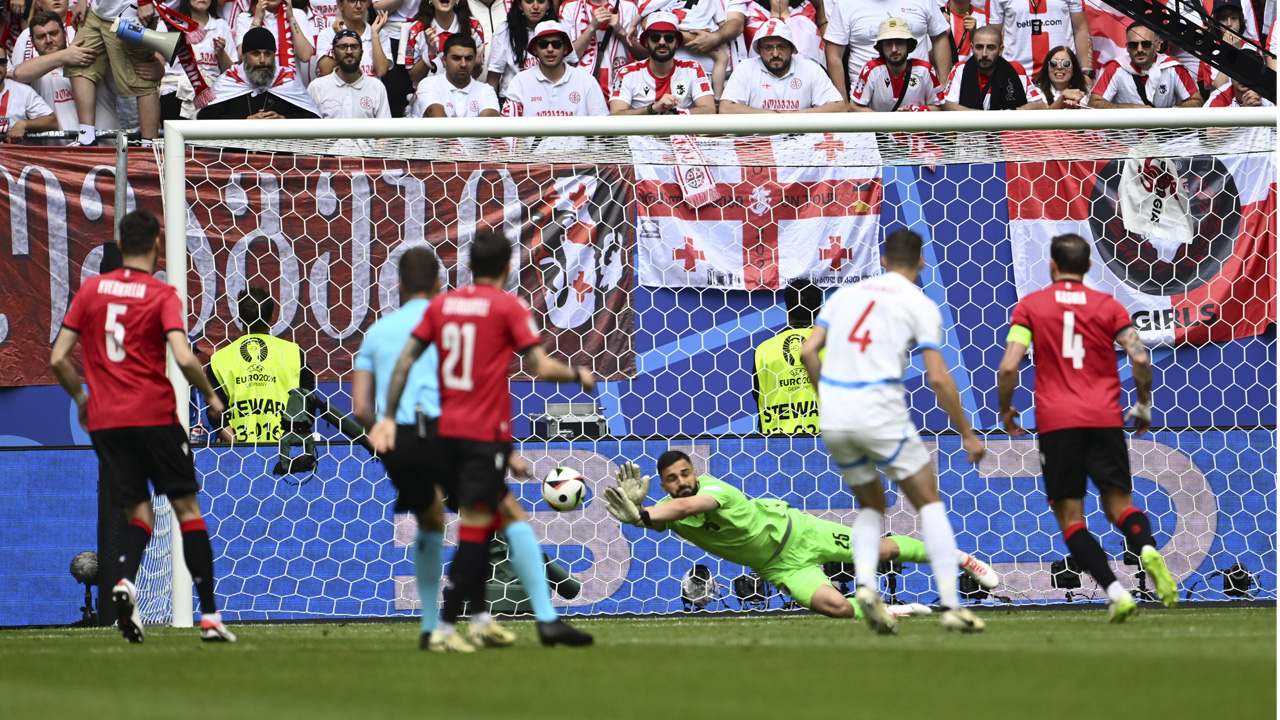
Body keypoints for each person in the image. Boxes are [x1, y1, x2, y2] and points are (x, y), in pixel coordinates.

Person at [369, 229, 597, 651]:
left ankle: (480, 622)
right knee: (480, 531)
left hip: (444, 430)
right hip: (479, 436)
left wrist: (385, 417)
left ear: (469, 266)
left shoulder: (444, 305)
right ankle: (454, 627)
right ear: (510, 267)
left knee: (488, 522)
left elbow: (405, 362)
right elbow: (542, 369)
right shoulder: (510, 306)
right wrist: (579, 375)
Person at [48, 208, 235, 644]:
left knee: (139, 513)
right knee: (187, 511)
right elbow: (184, 356)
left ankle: (125, 581)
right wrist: (210, 394)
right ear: (156, 245)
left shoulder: (91, 291)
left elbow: (58, 357)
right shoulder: (160, 293)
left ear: (119, 243)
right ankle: (209, 617)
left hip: (108, 422)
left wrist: (80, 399)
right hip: (153, 415)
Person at [799, 228, 987, 635]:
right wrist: (968, 433)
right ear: (920, 263)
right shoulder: (919, 304)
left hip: (836, 415)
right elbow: (938, 378)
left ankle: (866, 585)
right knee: (929, 503)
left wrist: (827, 396)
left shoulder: (846, 296)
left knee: (872, 505)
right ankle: (953, 606)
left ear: (882, 259)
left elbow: (807, 351)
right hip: (879, 410)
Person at [996, 232, 1178, 622]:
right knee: (1121, 508)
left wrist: (1006, 409)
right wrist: (1143, 404)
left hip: (1058, 423)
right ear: (1089, 267)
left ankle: (1115, 592)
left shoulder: (1031, 307)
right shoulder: (1108, 306)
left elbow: (1010, 365)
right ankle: (1146, 549)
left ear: (1051, 266)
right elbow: (1140, 357)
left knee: (1072, 519)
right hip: (1105, 419)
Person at [602, 451, 1000, 619]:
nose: (681, 482)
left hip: (801, 534)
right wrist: (640, 516)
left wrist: (643, 511)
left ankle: (962, 559)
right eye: (672, 479)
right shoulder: (668, 511)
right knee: (837, 608)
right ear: (664, 484)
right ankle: (888, 611)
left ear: (695, 472)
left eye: (685, 473)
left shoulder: (713, 490)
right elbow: (661, 518)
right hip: (779, 567)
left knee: (880, 551)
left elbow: (688, 508)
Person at [351, 247, 454, 650]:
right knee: (489, 515)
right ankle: (476, 612)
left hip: (400, 440)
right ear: (438, 284)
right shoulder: (451, 326)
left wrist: (378, 432)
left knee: (430, 520)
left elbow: (360, 406)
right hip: (449, 432)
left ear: (397, 285)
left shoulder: (377, 333)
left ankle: (430, 622)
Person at [206, 286, 314, 443]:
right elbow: (308, 404)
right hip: (284, 452)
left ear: (240, 318)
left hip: (238, 456)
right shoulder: (293, 353)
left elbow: (215, 413)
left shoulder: (220, 359)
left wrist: (236, 446)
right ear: (271, 317)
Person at [9, 10, 118, 143]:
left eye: (54, 34)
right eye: (41, 36)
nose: (48, 40)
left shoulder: (90, 57)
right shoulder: (37, 73)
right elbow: (19, 74)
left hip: (108, 151)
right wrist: (64, 55)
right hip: (60, 158)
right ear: (32, 42)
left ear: (65, 33)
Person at [66, 0, 163, 145]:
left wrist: (145, 1)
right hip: (98, 10)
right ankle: (86, 137)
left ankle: (148, 148)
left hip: (129, 13)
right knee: (79, 61)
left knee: (141, 78)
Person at [822, 0, 950, 104]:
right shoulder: (845, 4)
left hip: (919, 100)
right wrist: (843, 101)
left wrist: (944, 84)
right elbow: (834, 54)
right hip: (865, 104)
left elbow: (940, 38)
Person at [719, 19, 844, 113]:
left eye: (781, 47)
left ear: (791, 48)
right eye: (768, 48)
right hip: (756, 143)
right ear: (759, 49)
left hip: (800, 143)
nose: (775, 53)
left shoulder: (811, 69)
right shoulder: (745, 68)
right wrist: (772, 117)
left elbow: (840, 107)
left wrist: (798, 116)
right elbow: (725, 109)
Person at [199, 27, 322, 118]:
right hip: (235, 151)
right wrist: (245, 121)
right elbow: (205, 117)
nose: (262, 60)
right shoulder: (229, 79)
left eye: (267, 54)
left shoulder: (286, 79)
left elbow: (314, 118)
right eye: (256, 53)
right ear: (244, 56)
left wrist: (284, 120)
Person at [609, 11, 714, 115]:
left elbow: (709, 110)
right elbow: (616, 115)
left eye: (669, 38)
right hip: (643, 132)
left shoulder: (693, 69)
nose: (662, 42)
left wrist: (677, 114)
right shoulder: (627, 73)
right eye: (655, 37)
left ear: (677, 42)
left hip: (681, 132)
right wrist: (652, 109)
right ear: (646, 41)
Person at [753, 279, 823, 434]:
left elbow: (757, 395)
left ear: (787, 309)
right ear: (819, 311)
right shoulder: (831, 344)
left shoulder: (764, 349)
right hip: (827, 443)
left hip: (777, 445)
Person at [500, 20, 607, 117]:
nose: (550, 49)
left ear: (565, 49)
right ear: (535, 49)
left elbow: (602, 128)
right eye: (543, 44)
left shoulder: (586, 81)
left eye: (556, 44)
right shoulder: (520, 81)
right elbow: (508, 131)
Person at [1087, 23, 1200, 109]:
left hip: (1167, 138)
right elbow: (1094, 104)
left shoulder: (1173, 67)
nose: (1139, 49)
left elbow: (1197, 101)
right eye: (1133, 45)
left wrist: (1166, 115)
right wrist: (1136, 111)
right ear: (1127, 47)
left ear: (1158, 45)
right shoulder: (1115, 67)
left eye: (1145, 44)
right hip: (1125, 139)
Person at [157, 0, 236, 120]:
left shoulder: (221, 26)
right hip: (174, 91)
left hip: (211, 97)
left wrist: (221, 53)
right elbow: (157, 64)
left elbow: (231, 72)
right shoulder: (168, 23)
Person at [849, 17, 944, 112]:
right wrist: (887, 123)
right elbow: (854, 106)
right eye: (888, 44)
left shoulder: (925, 69)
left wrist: (914, 111)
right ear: (881, 47)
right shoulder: (871, 69)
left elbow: (939, 106)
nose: (894, 49)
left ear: (908, 45)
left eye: (899, 43)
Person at [942, 25, 1046, 110]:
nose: (984, 54)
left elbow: (1040, 105)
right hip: (971, 134)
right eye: (979, 47)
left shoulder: (1016, 69)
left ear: (1001, 50)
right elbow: (946, 104)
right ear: (972, 49)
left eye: (991, 48)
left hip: (1009, 132)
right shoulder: (960, 69)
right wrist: (984, 119)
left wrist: (1012, 113)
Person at [985, 0, 1091, 78]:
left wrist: (1087, 72)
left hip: (1062, 73)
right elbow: (992, 36)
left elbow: (1080, 29)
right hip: (1017, 75)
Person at [486, 0, 566, 97]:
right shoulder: (504, 31)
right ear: (520, 5)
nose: (535, 6)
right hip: (513, 101)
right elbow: (493, 77)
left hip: (552, 99)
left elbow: (570, 67)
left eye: (541, 1)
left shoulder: (561, 28)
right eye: (529, 1)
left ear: (548, 4)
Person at [562, 0, 641, 96]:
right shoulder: (569, 7)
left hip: (620, 88)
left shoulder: (629, 6)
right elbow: (569, 57)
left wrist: (620, 31)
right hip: (582, 89)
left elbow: (642, 54)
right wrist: (592, 27)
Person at [308, 28, 392, 116]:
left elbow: (385, 128)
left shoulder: (376, 87)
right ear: (333, 53)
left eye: (354, 47)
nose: (349, 51)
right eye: (343, 47)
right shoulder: (316, 87)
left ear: (362, 53)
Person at [411, 32, 499, 116]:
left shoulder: (486, 90)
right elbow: (438, 120)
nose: (463, 64)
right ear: (444, 60)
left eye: (468, 58)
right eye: (456, 58)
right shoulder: (429, 84)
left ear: (474, 60)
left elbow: (490, 125)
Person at [315, 0, 390, 78]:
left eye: (363, 1)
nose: (358, 6)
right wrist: (341, 36)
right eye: (352, 1)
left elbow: (381, 71)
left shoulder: (379, 33)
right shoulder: (328, 34)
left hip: (370, 90)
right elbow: (326, 71)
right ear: (340, 5)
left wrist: (374, 35)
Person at [0, 52, 57, 143]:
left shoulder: (22, 91)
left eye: (1, 61)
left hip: (14, 155)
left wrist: (24, 124)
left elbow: (52, 121)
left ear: (6, 64)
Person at [1204, 50, 1273, 107]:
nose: (1242, 78)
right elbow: (1203, 123)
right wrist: (1243, 112)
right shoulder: (1219, 97)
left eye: (1249, 73)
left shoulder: (1272, 95)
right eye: (1238, 73)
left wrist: (1262, 111)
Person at [1032, 44, 1086, 109]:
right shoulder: (1036, 91)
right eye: (1054, 63)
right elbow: (1043, 117)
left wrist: (1075, 109)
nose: (1059, 67)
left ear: (1074, 70)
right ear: (1047, 68)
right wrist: (1062, 98)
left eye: (1066, 63)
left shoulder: (1085, 90)